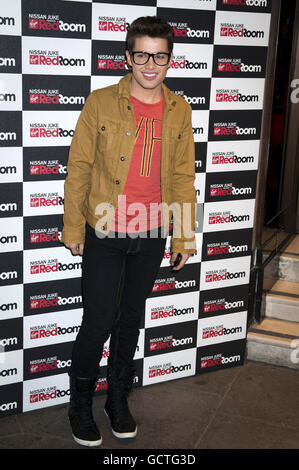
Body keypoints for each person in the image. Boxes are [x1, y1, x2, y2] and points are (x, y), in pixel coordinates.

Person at [60, 16, 197, 447]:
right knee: (97, 321)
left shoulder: (180, 110)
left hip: (152, 231)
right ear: (128, 57)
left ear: (170, 60)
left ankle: (117, 399)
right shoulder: (100, 102)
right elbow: (78, 168)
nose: (150, 64)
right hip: (104, 228)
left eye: (160, 55)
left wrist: (184, 236)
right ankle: (79, 403)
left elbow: (182, 178)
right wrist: (72, 226)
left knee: (129, 322)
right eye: (142, 54)